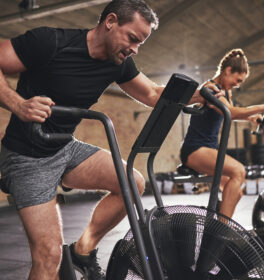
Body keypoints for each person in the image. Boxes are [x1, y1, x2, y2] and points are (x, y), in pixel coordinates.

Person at [0, 1, 220, 279]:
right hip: (27, 157)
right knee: (48, 255)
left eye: (141, 43)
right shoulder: (48, 41)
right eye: (132, 38)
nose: (135, 49)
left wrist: (200, 93)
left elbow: (152, 93)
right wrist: (19, 105)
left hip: (64, 147)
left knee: (132, 182)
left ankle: (82, 249)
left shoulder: (119, 63)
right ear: (110, 21)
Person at [180, 48, 264, 218]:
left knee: (236, 192)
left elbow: (227, 115)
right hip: (195, 149)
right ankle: (220, 230)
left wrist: (251, 118)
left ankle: (219, 223)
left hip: (208, 149)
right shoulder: (210, 89)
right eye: (237, 79)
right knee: (239, 171)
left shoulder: (226, 92)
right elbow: (232, 112)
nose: (238, 84)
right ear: (227, 71)